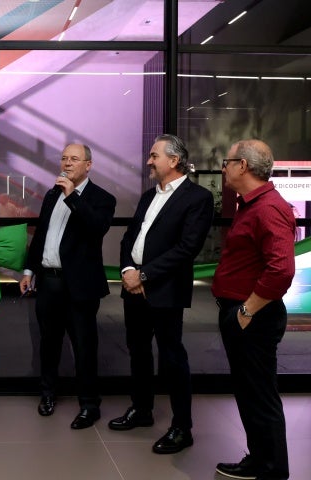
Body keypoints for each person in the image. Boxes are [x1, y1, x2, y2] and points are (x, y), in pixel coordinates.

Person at [110, 134, 214, 454]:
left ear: (174, 160)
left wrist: (144, 275)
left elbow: (187, 248)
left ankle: (182, 428)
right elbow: (129, 238)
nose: (148, 162)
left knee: (172, 358)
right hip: (134, 287)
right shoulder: (147, 196)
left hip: (165, 290)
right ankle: (142, 410)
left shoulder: (198, 198)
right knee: (138, 351)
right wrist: (128, 269)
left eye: (154, 156)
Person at [212, 140, 295, 480]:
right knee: (249, 393)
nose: (224, 168)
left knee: (259, 395)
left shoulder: (269, 208)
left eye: (227, 161)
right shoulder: (251, 204)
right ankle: (260, 460)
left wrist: (246, 312)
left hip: (254, 316)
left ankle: (272, 470)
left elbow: (281, 270)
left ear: (243, 166)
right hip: (244, 314)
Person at [19, 143, 116, 429]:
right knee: (48, 344)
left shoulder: (102, 198)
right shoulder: (52, 194)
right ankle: (48, 394)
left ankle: (89, 405)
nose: (67, 163)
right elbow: (41, 235)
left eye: (74, 159)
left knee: (84, 347)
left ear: (88, 165)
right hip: (49, 282)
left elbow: (97, 227)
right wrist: (29, 270)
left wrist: (72, 195)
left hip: (80, 287)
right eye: (64, 158)